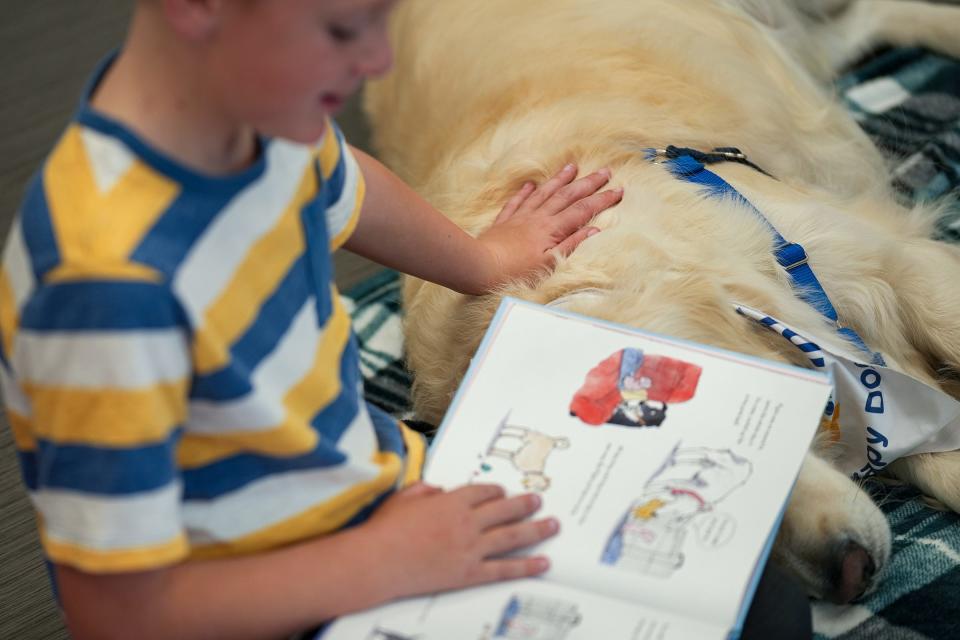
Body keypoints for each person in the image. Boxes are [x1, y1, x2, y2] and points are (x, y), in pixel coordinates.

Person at [0, 1, 811, 638]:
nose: (375, 64)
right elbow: (115, 615)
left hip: (368, 498)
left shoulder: (254, 115)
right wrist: (375, 563)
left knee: (746, 588)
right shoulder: (101, 290)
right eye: (343, 28)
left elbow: (342, 178)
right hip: (261, 599)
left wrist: (485, 258)